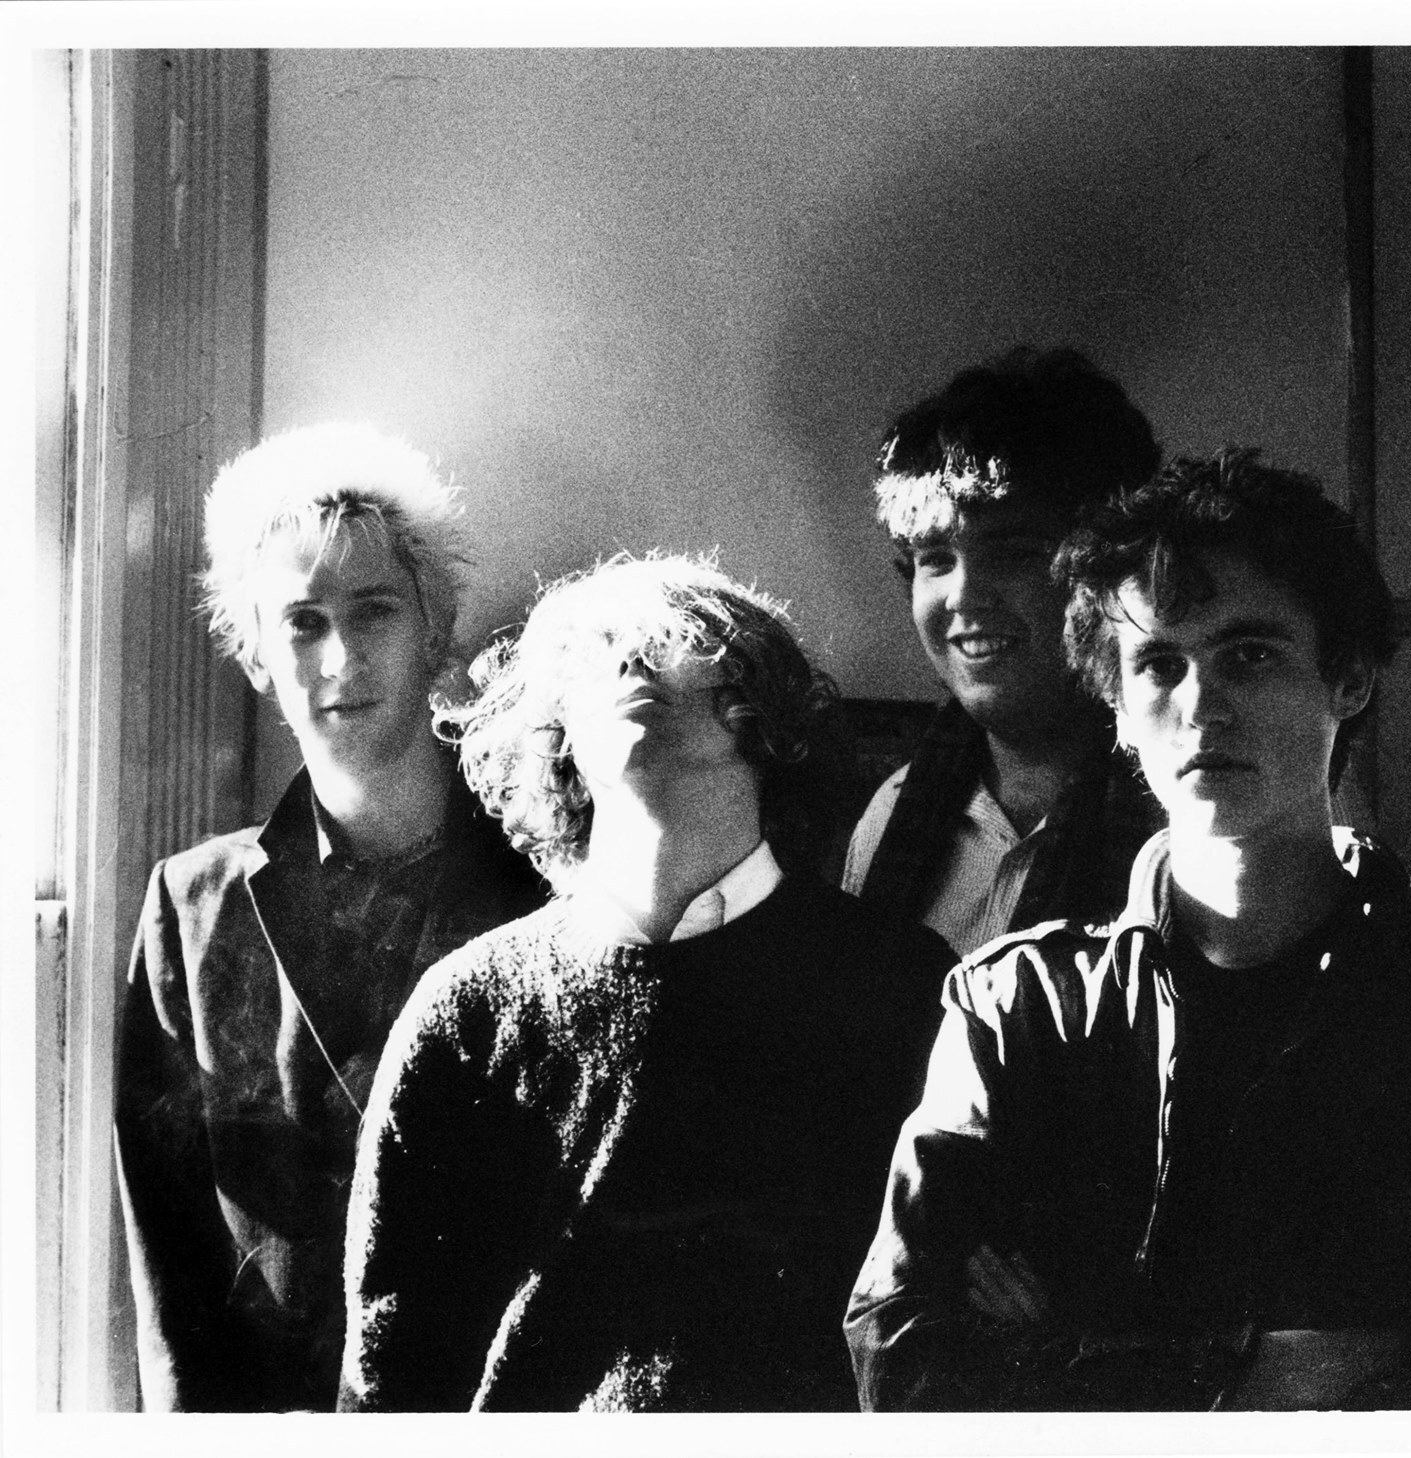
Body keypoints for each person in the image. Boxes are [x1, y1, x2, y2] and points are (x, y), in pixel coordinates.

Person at [844, 449, 1411, 1410]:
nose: (1200, 705)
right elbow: (901, 1353)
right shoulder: (1016, 1008)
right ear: (1116, 707)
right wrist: (1266, 1370)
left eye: (1248, 656)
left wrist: (1066, 1350)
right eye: (1158, 664)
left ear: (1348, 678)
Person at [338, 553, 958, 1411]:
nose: (630, 666)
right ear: (557, 735)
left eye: (669, 643)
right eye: (597, 655)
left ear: (763, 709)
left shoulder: (901, 982)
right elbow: (389, 1368)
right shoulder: (466, 1008)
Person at [115, 424, 548, 1411]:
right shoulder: (191, 904)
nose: (341, 656)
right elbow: (172, 1250)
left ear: (434, 629)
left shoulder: (547, 873)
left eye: (375, 611)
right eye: (302, 622)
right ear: (255, 656)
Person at [843, 346, 1165, 956]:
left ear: (1110, 572)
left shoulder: (1185, 816)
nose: (963, 595)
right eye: (936, 559)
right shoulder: (891, 815)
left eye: (1015, 553)